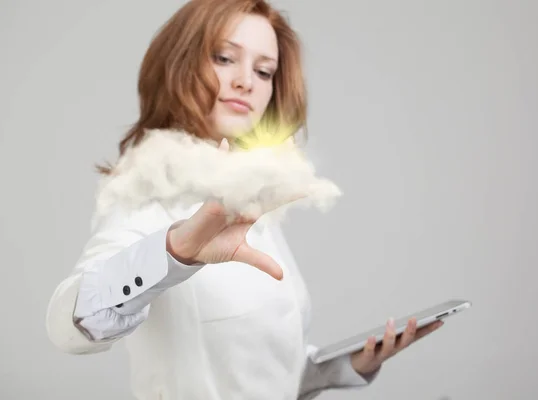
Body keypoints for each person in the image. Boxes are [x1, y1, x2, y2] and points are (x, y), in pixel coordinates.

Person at [45, 0, 443, 399]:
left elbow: (259, 373)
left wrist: (350, 365)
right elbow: (68, 324)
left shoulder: (247, 200)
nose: (245, 81)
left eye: (264, 70)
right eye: (224, 57)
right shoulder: (144, 194)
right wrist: (175, 251)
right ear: (180, 64)